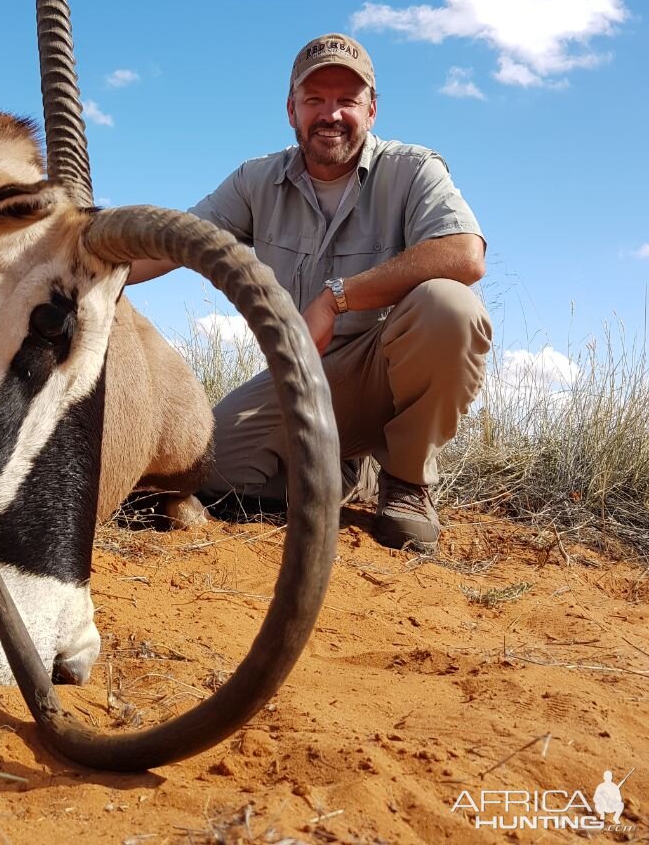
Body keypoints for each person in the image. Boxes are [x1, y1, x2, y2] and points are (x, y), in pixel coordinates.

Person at [128, 32, 492, 551]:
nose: (331, 114)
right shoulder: (256, 180)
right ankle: (345, 472)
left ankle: (407, 482)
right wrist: (95, 270)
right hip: (302, 377)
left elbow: (463, 254)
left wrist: (335, 298)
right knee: (204, 471)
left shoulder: (413, 169)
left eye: (347, 100)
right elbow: (179, 241)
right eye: (315, 99)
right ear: (291, 109)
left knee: (449, 307)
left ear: (371, 109)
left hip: (378, 371)